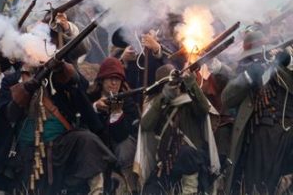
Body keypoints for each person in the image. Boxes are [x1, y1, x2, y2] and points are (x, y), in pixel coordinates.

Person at [0, 61, 113, 195]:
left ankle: (97, 191)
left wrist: (63, 68)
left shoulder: (56, 74)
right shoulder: (11, 80)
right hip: (27, 150)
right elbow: (8, 115)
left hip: (60, 144)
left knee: (87, 141)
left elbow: (81, 84)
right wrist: (26, 90)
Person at [136, 65, 218, 195]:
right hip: (168, 164)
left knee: (186, 152)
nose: (174, 86)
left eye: (176, 83)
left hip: (194, 163)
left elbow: (204, 109)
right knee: (150, 191)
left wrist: (192, 83)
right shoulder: (158, 104)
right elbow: (146, 125)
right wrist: (164, 97)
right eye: (169, 84)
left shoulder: (191, 101)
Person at [222, 46, 293, 194]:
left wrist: (285, 64)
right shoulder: (256, 70)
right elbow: (227, 99)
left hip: (283, 142)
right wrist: (248, 76)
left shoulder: (284, 70)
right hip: (254, 139)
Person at [87, 58, 139, 194]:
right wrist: (95, 108)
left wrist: (116, 113)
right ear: (102, 80)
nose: (114, 83)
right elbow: (84, 123)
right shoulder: (90, 97)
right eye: (110, 78)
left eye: (117, 79)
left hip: (120, 152)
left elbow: (122, 135)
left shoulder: (127, 102)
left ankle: (131, 189)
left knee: (125, 147)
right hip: (96, 151)